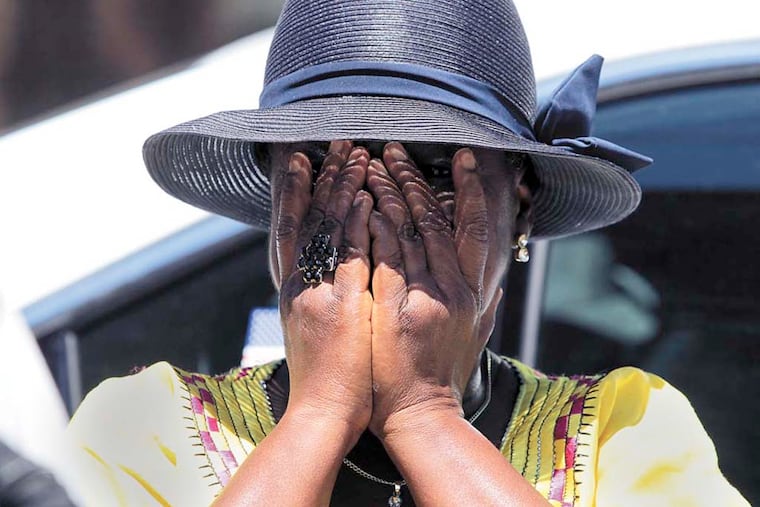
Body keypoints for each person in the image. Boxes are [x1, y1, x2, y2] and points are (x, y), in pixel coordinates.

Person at [66, 0, 749, 505]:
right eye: (331, 182)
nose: (372, 230)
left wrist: (424, 412)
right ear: (277, 210)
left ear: (521, 207)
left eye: (432, 183)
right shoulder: (142, 423)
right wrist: (320, 410)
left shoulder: (626, 429)